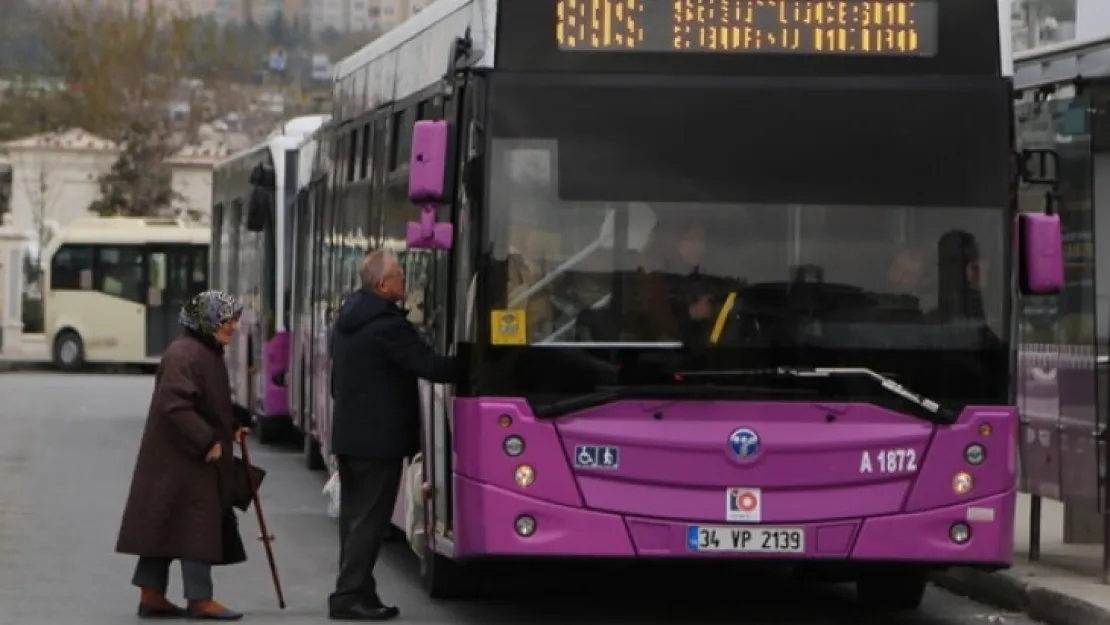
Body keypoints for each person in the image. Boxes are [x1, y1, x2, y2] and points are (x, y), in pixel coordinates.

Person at [328, 250, 456, 621]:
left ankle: (361, 592)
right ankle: (348, 596)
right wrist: (478, 364)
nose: (405, 281)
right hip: (378, 441)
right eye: (399, 275)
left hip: (350, 437)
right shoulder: (387, 325)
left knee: (355, 520)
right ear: (383, 284)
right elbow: (428, 365)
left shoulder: (350, 318)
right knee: (369, 522)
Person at [115, 290, 252, 621]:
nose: (233, 325)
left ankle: (152, 595)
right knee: (195, 526)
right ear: (206, 321)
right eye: (226, 319)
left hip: (180, 459)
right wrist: (207, 441)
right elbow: (175, 404)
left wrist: (231, 425)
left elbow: (206, 401)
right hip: (186, 459)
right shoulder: (186, 354)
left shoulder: (200, 351)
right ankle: (200, 598)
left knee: (165, 523)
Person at [627, 216, 719, 342]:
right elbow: (651, 328)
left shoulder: (710, 279)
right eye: (690, 239)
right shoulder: (656, 283)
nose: (698, 245)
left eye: (702, 240)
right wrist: (690, 314)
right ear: (675, 242)